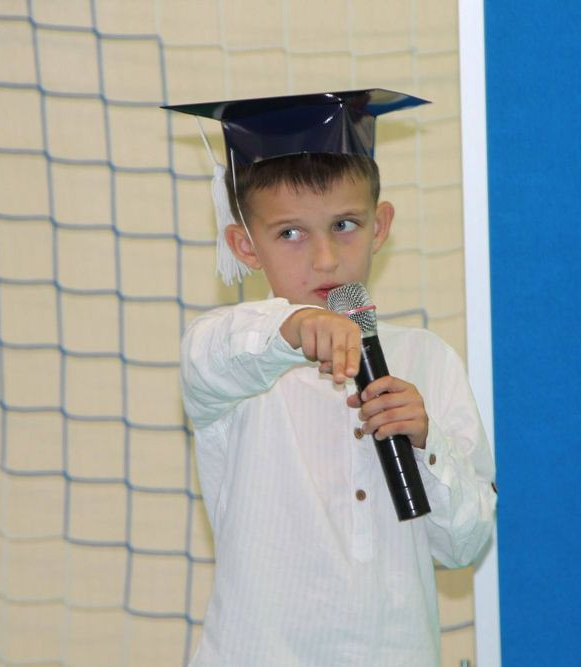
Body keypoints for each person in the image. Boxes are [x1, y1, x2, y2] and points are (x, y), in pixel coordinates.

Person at [164, 90, 496, 666]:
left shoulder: (428, 359)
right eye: (290, 233)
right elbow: (209, 356)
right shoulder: (235, 352)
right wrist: (294, 327)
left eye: (344, 224)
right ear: (245, 245)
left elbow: (463, 545)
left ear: (380, 225)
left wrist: (427, 442)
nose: (324, 259)